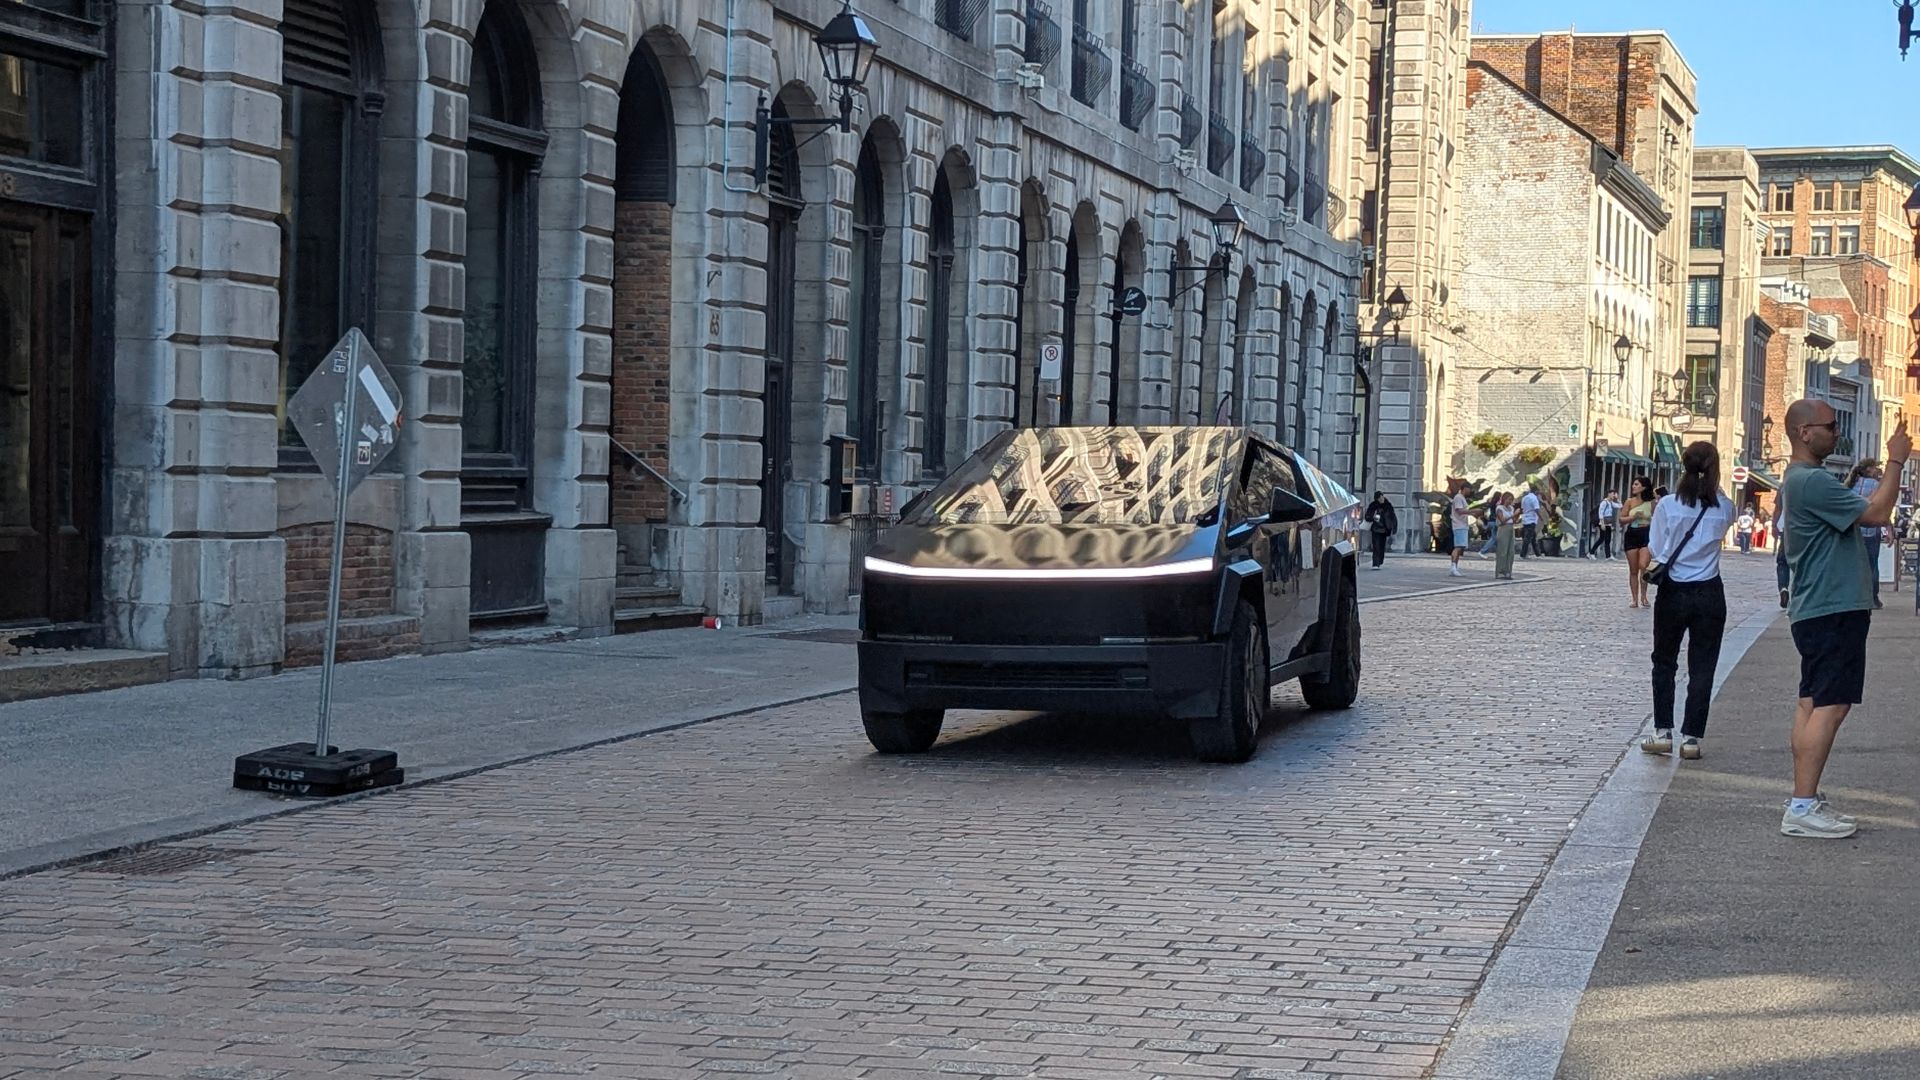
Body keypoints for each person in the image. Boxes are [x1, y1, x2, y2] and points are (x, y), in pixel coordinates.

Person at [1777, 401, 1910, 839]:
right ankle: (1801, 805)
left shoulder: (1800, 481)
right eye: (1830, 426)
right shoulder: (1810, 481)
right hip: (1833, 605)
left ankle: (1805, 797)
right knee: (1832, 705)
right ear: (1803, 432)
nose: (1838, 433)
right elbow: (1876, 514)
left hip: (1819, 605)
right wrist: (1894, 460)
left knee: (1811, 703)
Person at [1639, 442, 1735, 761]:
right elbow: (1720, 509)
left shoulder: (1667, 504)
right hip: (1709, 590)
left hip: (1674, 589)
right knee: (1702, 668)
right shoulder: (1724, 507)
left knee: (1664, 662)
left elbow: (1655, 546)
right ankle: (1691, 738)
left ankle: (1663, 732)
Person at [1845, 459, 1886, 609]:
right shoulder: (1876, 486)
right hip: (1872, 530)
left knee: (1854, 564)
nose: (1877, 470)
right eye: (1875, 467)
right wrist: (1888, 527)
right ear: (1868, 469)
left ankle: (1855, 596)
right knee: (1872, 565)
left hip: (1855, 530)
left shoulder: (1851, 485)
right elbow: (1881, 508)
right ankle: (1873, 597)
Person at [1621, 476, 1656, 609]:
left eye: (1636, 484)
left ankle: (1644, 596)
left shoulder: (1651, 503)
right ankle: (1634, 599)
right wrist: (1633, 517)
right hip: (1632, 534)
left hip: (1646, 533)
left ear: (1644, 487)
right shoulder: (1629, 502)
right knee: (1633, 569)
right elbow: (1621, 519)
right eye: (1633, 484)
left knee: (1643, 565)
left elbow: (1657, 518)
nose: (1633, 486)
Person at [1363, 492, 1398, 570]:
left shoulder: (1388, 505)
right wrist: (1373, 517)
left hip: (1385, 529)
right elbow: (1367, 516)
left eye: (1382, 497)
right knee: (1376, 546)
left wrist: (1394, 527)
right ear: (1377, 499)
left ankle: (1380, 561)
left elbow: (1393, 517)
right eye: (1379, 498)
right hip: (1376, 529)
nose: (1381, 499)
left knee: (1382, 547)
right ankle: (1375, 563)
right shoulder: (1373, 505)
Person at [1447, 477, 1472, 578]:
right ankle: (1453, 567)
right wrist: (1473, 512)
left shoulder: (1462, 498)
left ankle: (1455, 567)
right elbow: (1459, 511)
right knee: (1458, 547)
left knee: (1460, 547)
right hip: (1459, 525)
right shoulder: (1458, 497)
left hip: (1462, 525)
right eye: (1469, 489)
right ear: (1465, 488)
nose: (1470, 492)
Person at [1588, 490, 1620, 560]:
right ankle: (1591, 553)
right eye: (1612, 494)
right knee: (1602, 539)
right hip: (1603, 523)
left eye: (1614, 494)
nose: (1613, 495)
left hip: (1608, 523)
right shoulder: (1604, 502)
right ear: (1608, 494)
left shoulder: (1611, 503)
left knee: (1607, 539)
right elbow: (1600, 513)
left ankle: (1608, 556)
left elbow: (1620, 506)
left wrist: (1617, 499)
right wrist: (1602, 524)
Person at [1493, 492, 1518, 579]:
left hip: (1511, 528)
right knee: (1502, 551)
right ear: (1504, 499)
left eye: (1511, 500)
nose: (1510, 501)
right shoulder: (1499, 508)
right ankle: (1500, 571)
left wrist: (1516, 516)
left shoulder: (1511, 508)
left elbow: (1514, 520)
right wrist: (1513, 515)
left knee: (1510, 551)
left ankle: (1508, 571)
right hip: (1503, 528)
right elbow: (1502, 520)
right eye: (1509, 499)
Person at [1518, 484, 1544, 558]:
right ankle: (1523, 554)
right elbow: (1536, 509)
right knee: (1528, 538)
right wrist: (1541, 517)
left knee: (1533, 537)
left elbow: (1523, 508)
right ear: (1536, 491)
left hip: (1525, 519)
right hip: (1532, 520)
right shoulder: (1534, 499)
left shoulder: (1524, 498)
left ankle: (1537, 553)